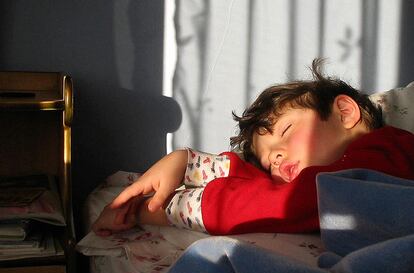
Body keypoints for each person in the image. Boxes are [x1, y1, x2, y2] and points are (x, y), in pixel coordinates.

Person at [92, 59, 414, 237]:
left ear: (345, 113)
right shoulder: (326, 175)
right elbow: (266, 190)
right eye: (268, 160)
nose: (275, 156)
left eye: (286, 130)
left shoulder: (388, 149)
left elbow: (291, 201)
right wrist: (187, 162)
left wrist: (174, 209)